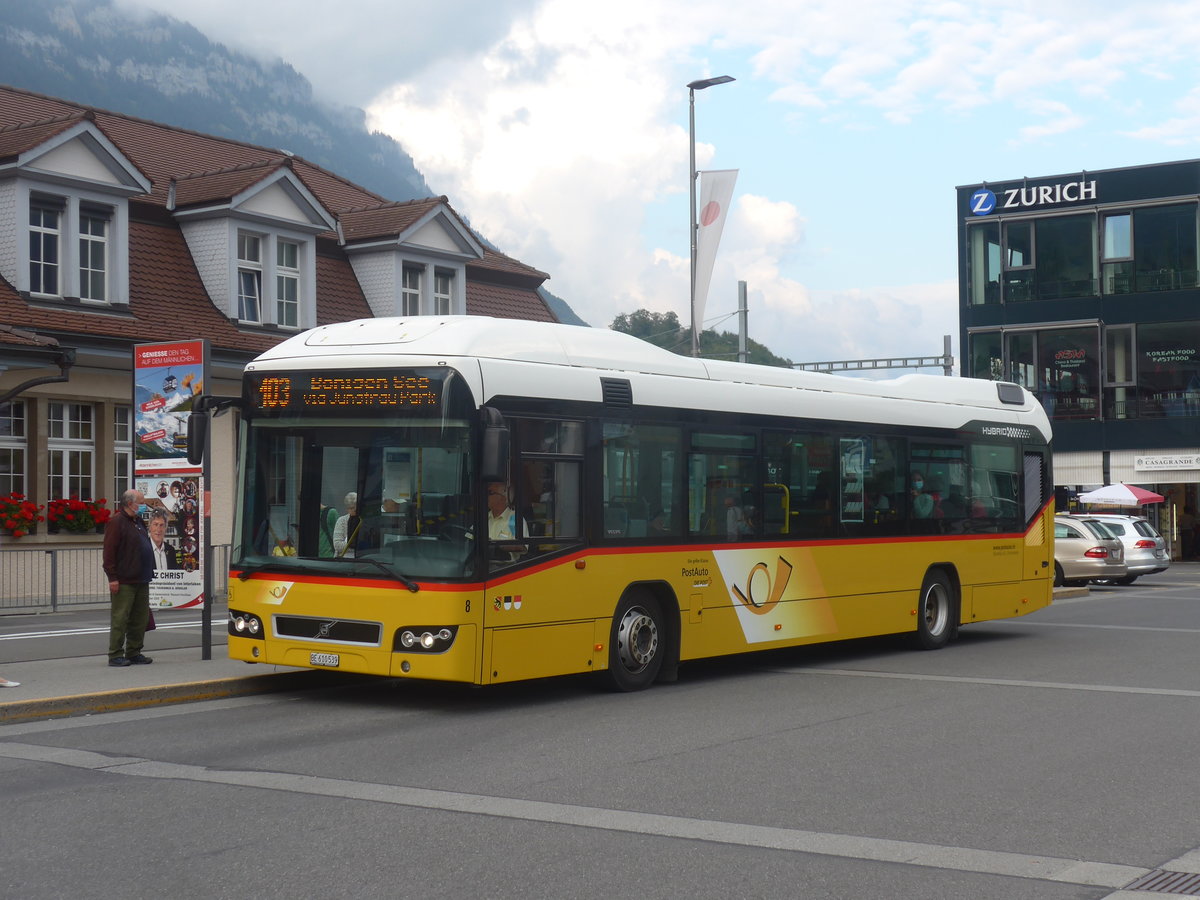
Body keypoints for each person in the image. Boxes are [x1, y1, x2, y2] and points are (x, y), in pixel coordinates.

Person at [101, 488, 154, 667]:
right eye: (141, 502)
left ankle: (134, 651)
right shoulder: (116, 522)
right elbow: (109, 552)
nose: (143, 505)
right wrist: (112, 577)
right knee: (120, 617)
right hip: (124, 579)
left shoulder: (138, 521)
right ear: (130, 503)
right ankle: (115, 654)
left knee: (140, 618)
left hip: (142, 577)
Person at [333, 492, 359, 558]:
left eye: (354, 507)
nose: (354, 510)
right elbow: (337, 545)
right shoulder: (342, 521)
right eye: (351, 508)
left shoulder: (365, 520)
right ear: (347, 509)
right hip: (345, 558)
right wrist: (352, 544)